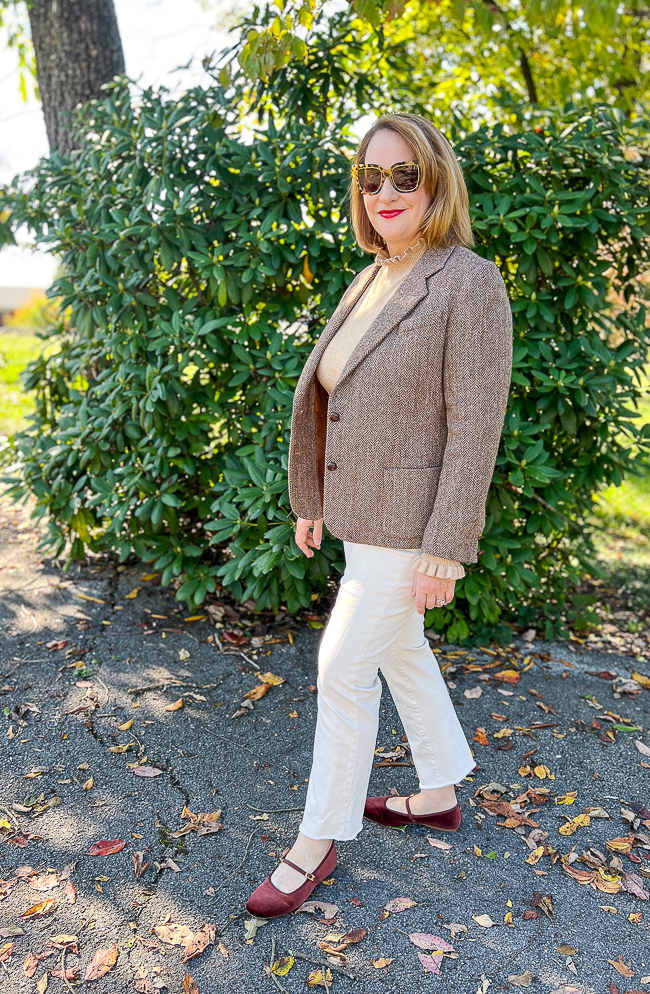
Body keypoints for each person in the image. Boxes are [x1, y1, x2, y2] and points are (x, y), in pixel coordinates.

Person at [246, 112, 513, 919]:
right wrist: (313, 499)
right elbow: (339, 398)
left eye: (404, 174)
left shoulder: (470, 282)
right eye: (371, 177)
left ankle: (316, 839)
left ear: (437, 179)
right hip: (360, 516)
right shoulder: (370, 277)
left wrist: (447, 547)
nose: (386, 190)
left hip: (414, 528)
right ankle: (436, 793)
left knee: (342, 667)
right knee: (401, 655)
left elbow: (475, 424)